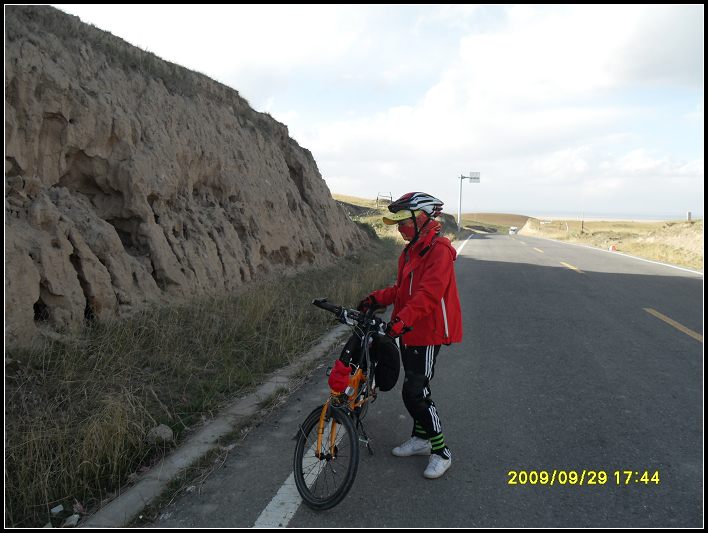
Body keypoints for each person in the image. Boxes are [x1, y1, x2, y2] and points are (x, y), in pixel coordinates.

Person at [358, 191, 463, 479]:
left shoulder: (439, 251)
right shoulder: (410, 251)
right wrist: (376, 298)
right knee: (415, 387)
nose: (400, 228)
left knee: (416, 391)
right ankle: (420, 439)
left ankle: (441, 451)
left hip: (428, 331)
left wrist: (399, 323)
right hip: (410, 329)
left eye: (404, 221)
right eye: (398, 223)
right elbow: (402, 291)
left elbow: (428, 295)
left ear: (422, 219)